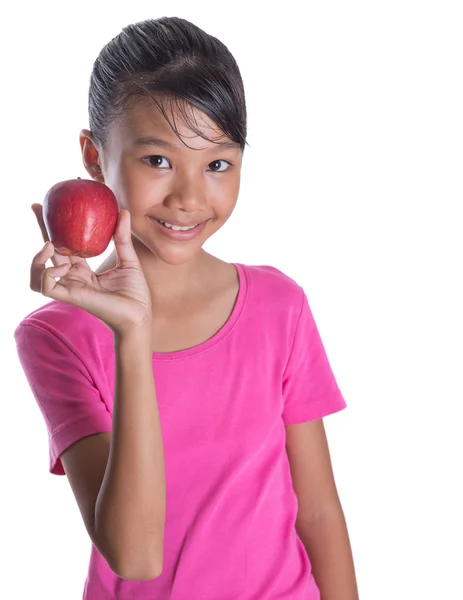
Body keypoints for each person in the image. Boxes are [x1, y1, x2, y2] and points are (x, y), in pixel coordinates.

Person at [14, 16, 358, 600]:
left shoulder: (281, 307)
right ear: (94, 156)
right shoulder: (57, 336)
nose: (191, 197)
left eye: (218, 163)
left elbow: (319, 513)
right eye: (158, 161)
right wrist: (131, 331)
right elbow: (137, 555)